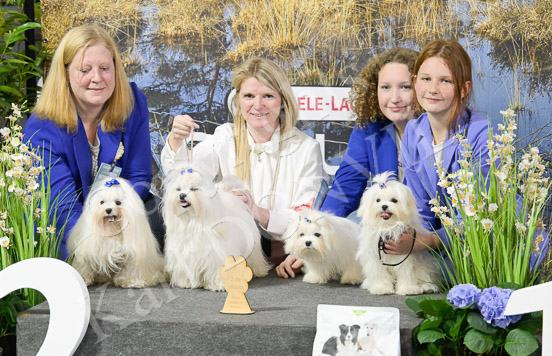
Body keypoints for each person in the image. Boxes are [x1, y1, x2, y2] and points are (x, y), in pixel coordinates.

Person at [161, 57, 326, 266]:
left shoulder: (307, 149)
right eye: (249, 96)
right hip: (228, 255)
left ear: (283, 101)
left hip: (283, 258)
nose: (258, 105)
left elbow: (306, 219)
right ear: (238, 100)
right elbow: (183, 176)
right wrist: (176, 140)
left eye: (268, 96)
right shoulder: (224, 137)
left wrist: (257, 212)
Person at [277, 47, 419, 278]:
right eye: (385, 87)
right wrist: (313, 234)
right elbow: (345, 188)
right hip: (386, 220)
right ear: (374, 91)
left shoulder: (434, 128)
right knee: (354, 222)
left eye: (405, 87)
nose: (394, 98)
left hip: (424, 223)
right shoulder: (368, 128)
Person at [23, 25, 154, 258]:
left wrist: (118, 217)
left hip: (119, 216)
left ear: (115, 68)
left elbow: (139, 177)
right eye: (85, 70)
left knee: (157, 219)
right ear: (65, 74)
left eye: (104, 68)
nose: (97, 78)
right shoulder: (41, 128)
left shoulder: (133, 104)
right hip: (67, 229)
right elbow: (62, 208)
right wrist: (101, 240)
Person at [387, 39, 490, 256]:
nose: (432, 89)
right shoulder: (412, 132)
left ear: (464, 88)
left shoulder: (482, 135)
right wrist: (408, 237)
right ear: (415, 82)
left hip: (486, 246)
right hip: (444, 244)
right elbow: (422, 212)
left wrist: (426, 241)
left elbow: (476, 219)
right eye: (426, 79)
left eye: (445, 81)